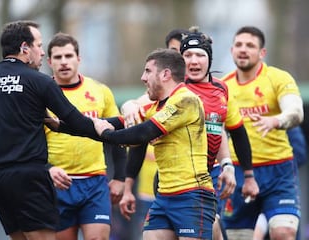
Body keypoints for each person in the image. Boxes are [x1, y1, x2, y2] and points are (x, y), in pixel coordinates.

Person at [0, 20, 109, 240]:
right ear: (25, 48)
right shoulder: (40, 81)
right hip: (30, 178)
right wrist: (106, 128)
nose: (42, 53)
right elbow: (75, 121)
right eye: (39, 45)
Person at [120, 27, 259, 240]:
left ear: (209, 59)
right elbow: (138, 115)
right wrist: (128, 106)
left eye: (200, 55)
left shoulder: (221, 90)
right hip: (176, 179)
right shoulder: (172, 91)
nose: (194, 61)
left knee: (212, 226)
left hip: (209, 175)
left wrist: (229, 165)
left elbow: (220, 128)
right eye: (187, 56)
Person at [93, 48, 217, 239]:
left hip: (192, 195)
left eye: (148, 71)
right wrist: (62, 123)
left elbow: (143, 133)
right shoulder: (155, 107)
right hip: (164, 197)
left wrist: (107, 135)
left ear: (165, 74)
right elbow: (116, 122)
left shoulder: (186, 100)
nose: (143, 77)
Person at [221, 26, 304, 240]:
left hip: (278, 169)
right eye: (239, 45)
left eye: (250, 45)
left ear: (262, 53)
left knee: (284, 232)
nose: (243, 49)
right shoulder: (223, 87)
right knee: (237, 236)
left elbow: (296, 111)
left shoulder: (277, 78)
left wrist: (275, 120)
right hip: (238, 172)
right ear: (231, 50)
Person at [45, 32, 126, 240]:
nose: (64, 62)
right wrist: (47, 169)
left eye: (69, 56)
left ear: (78, 59)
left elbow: (118, 135)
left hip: (94, 182)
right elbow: (29, 143)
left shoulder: (99, 91)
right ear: (49, 61)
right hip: (58, 183)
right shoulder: (40, 94)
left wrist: (119, 178)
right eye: (58, 57)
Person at [253, 126, 308, 240]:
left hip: (279, 182)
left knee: (284, 231)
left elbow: (300, 153)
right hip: (248, 183)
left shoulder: (283, 118)